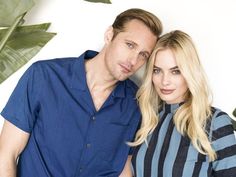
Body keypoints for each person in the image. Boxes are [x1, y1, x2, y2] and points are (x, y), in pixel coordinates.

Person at [0, 8, 162, 177]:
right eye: (129, 45)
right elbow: (6, 154)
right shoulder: (44, 76)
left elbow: (123, 168)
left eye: (143, 55)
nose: (134, 60)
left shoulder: (136, 103)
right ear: (109, 35)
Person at [130, 30, 236, 177]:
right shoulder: (146, 118)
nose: (164, 81)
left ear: (190, 72)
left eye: (176, 71)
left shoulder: (215, 122)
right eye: (157, 70)